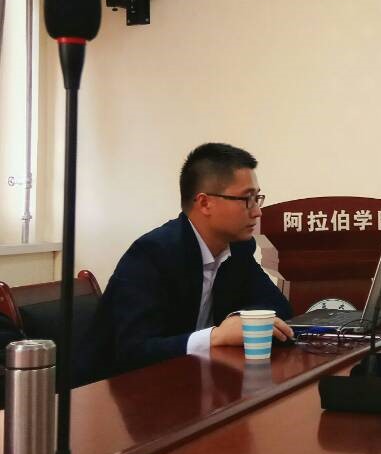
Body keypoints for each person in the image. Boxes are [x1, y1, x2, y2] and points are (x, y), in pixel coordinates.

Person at [75, 143, 292, 384]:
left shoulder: (238, 248)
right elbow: (133, 352)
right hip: (112, 393)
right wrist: (216, 336)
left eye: (257, 198)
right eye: (247, 199)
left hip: (193, 381)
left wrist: (238, 319)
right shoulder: (152, 254)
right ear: (205, 203)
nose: (258, 211)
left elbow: (278, 307)